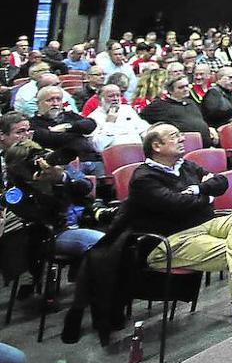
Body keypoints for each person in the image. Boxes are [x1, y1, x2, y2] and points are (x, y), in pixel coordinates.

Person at [126, 124, 232, 331]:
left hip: (206, 224)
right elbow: (175, 205)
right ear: (157, 146)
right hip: (170, 241)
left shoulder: (186, 166)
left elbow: (221, 182)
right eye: (174, 136)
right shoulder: (144, 178)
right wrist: (206, 196)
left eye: (181, 134)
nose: (182, 139)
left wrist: (197, 190)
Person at [0, 112, 103, 260]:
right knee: (101, 245)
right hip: (28, 231)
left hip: (60, 224)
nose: (26, 136)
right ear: (2, 135)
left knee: (114, 242)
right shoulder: (6, 165)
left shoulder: (42, 157)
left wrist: (61, 178)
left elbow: (85, 186)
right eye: (20, 132)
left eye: (29, 131)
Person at [30, 86, 101, 174]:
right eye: (50, 100)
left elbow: (90, 124)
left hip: (89, 159)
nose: (55, 103)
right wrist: (77, 133)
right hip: (61, 165)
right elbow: (51, 138)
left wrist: (66, 127)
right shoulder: (33, 123)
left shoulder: (69, 115)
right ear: (38, 104)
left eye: (58, 100)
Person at [140, 75, 215, 144]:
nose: (186, 89)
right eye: (181, 87)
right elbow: (141, 118)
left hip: (206, 144)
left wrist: (209, 129)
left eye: (186, 86)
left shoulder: (191, 102)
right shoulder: (161, 105)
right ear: (171, 91)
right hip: (182, 146)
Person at [86, 84, 147, 151]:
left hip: (138, 152)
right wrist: (110, 123)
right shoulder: (93, 118)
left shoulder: (127, 109)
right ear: (100, 99)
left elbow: (143, 129)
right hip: (114, 157)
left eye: (118, 95)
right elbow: (98, 146)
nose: (115, 99)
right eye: (111, 96)